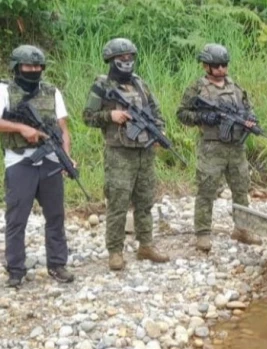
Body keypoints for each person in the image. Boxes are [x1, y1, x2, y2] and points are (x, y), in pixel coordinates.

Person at [82, 38, 169, 271]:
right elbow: (87, 117)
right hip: (119, 153)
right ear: (111, 60)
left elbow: (156, 112)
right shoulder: (102, 85)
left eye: (130, 57)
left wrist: (159, 131)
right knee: (118, 203)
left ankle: (146, 245)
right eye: (122, 58)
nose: (127, 61)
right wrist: (110, 116)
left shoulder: (140, 84)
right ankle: (115, 252)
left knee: (145, 201)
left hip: (144, 152)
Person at [0, 45, 74, 288]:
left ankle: (57, 264)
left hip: (50, 160)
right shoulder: (4, 91)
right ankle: (15, 269)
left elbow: (63, 130)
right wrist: (22, 128)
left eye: (37, 66)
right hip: (20, 160)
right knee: (17, 218)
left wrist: (66, 157)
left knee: (55, 215)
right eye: (28, 66)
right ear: (16, 67)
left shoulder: (52, 92)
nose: (33, 70)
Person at [176, 43, 262, 252]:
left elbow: (248, 109)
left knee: (241, 189)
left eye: (224, 65)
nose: (221, 69)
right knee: (206, 190)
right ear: (206, 66)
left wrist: (250, 119)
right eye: (217, 66)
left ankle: (242, 228)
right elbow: (182, 114)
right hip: (212, 147)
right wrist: (202, 117)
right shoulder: (198, 88)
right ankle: (203, 233)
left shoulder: (235, 88)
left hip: (236, 148)